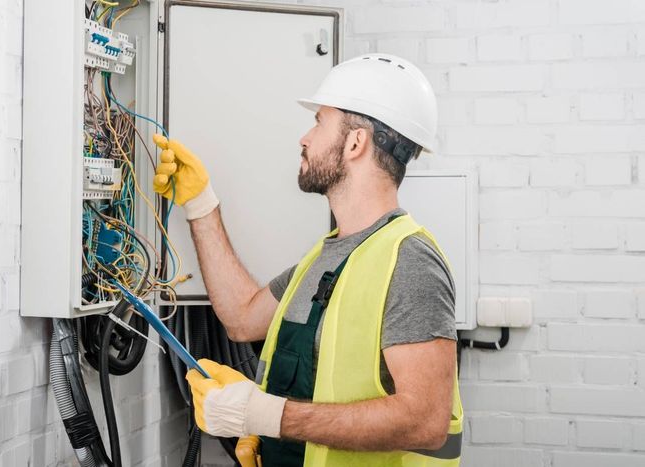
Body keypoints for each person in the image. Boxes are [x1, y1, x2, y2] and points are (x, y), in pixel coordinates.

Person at [152, 53, 463, 467]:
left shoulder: (409, 261)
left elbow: (425, 422)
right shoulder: (325, 255)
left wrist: (266, 414)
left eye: (319, 122)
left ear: (355, 142)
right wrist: (200, 204)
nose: (304, 137)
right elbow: (242, 317)